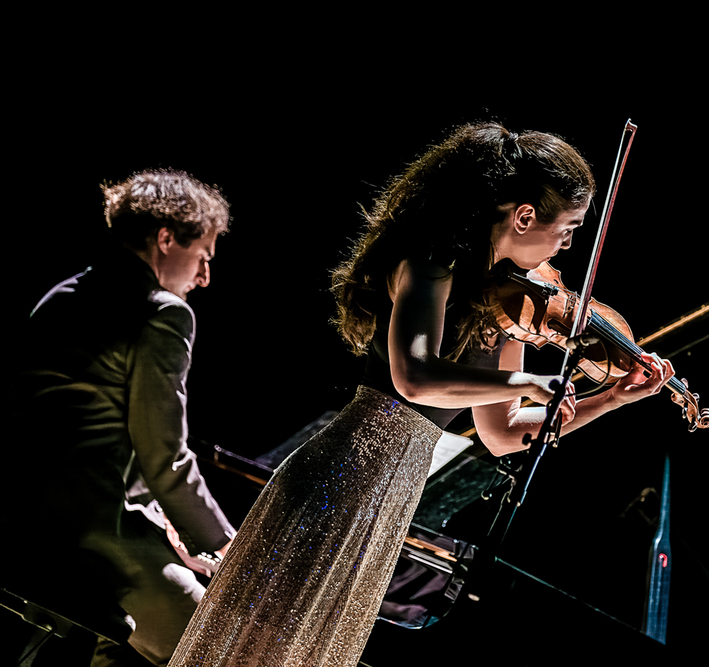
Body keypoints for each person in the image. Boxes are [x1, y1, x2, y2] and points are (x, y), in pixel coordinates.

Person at [167, 122, 675, 667]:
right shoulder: (430, 263)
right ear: (524, 216)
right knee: (257, 650)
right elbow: (414, 375)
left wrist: (609, 401)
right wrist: (532, 381)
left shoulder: (506, 305)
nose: (570, 245)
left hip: (391, 500)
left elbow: (501, 434)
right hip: (341, 475)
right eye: (569, 228)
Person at [3, 169, 236, 666]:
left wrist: (170, 530)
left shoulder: (60, 296)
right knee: (232, 651)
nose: (204, 277)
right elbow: (165, 458)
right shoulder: (163, 313)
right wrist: (230, 548)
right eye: (202, 257)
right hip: (100, 542)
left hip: (25, 526)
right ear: (167, 239)